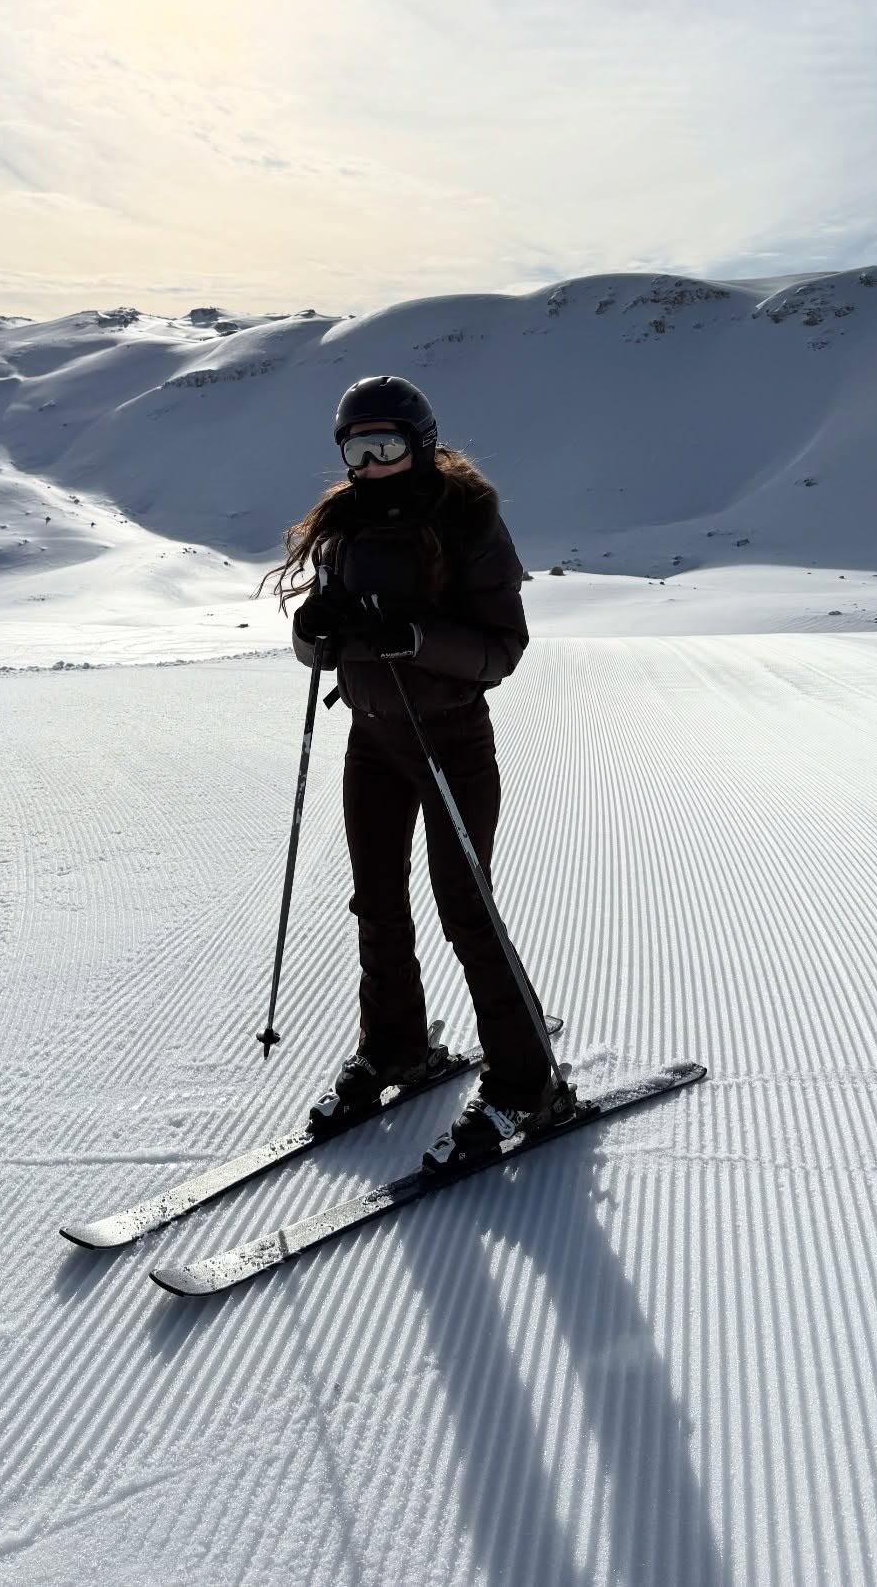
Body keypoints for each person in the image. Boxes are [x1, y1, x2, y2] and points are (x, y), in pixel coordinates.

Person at [266, 373, 565, 1162]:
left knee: (465, 908)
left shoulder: (468, 521)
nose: (369, 464)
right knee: (376, 903)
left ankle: (526, 1084)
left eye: (385, 445)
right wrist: (313, 631)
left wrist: (417, 639)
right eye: (356, 449)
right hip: (372, 739)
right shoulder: (342, 527)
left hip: (452, 740)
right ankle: (395, 1048)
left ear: (421, 444)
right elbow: (316, 652)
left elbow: (502, 649)